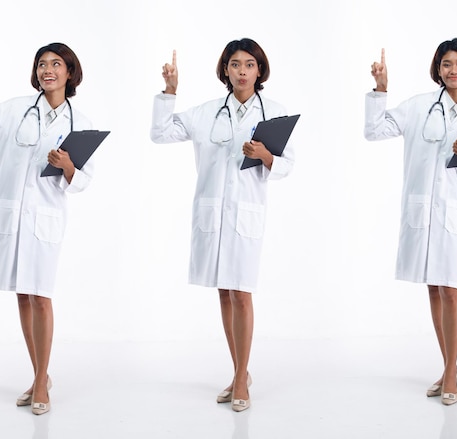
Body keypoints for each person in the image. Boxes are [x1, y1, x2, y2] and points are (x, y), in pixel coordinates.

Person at [150, 38, 295, 412]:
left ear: (259, 70)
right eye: (235, 64)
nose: (242, 71)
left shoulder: (274, 114)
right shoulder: (205, 112)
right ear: (225, 70)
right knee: (225, 294)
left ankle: (242, 376)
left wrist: (265, 155)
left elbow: (288, 165)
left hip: (246, 216)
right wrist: (169, 92)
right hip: (212, 216)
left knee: (242, 294)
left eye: (249, 64)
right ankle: (238, 373)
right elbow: (161, 133)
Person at [0, 43, 94, 415]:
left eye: (55, 64)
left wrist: (68, 165)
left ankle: (40, 381)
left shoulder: (79, 122)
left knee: (40, 296)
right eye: (41, 64)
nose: (47, 70)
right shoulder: (15, 109)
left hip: (46, 222)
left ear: (70, 72)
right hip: (11, 219)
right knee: (23, 295)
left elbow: (83, 182)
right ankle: (40, 376)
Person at [364, 38, 457, 405]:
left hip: (456, 214)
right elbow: (375, 131)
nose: (453, 70)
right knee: (434, 288)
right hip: (422, 213)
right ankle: (447, 367)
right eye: (446, 64)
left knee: (450, 288)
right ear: (437, 69)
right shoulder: (419, 106)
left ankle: (452, 369)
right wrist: (381, 89)